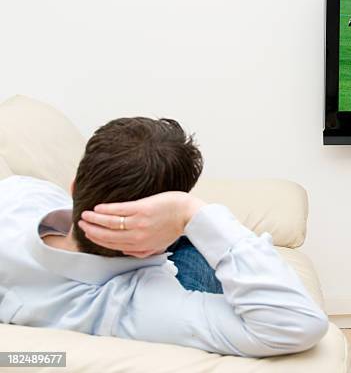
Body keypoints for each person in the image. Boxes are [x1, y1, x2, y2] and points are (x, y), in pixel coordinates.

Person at [0, 117, 328, 357]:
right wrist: (189, 212)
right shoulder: (129, 307)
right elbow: (297, 322)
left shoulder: (19, 196)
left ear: (73, 188)